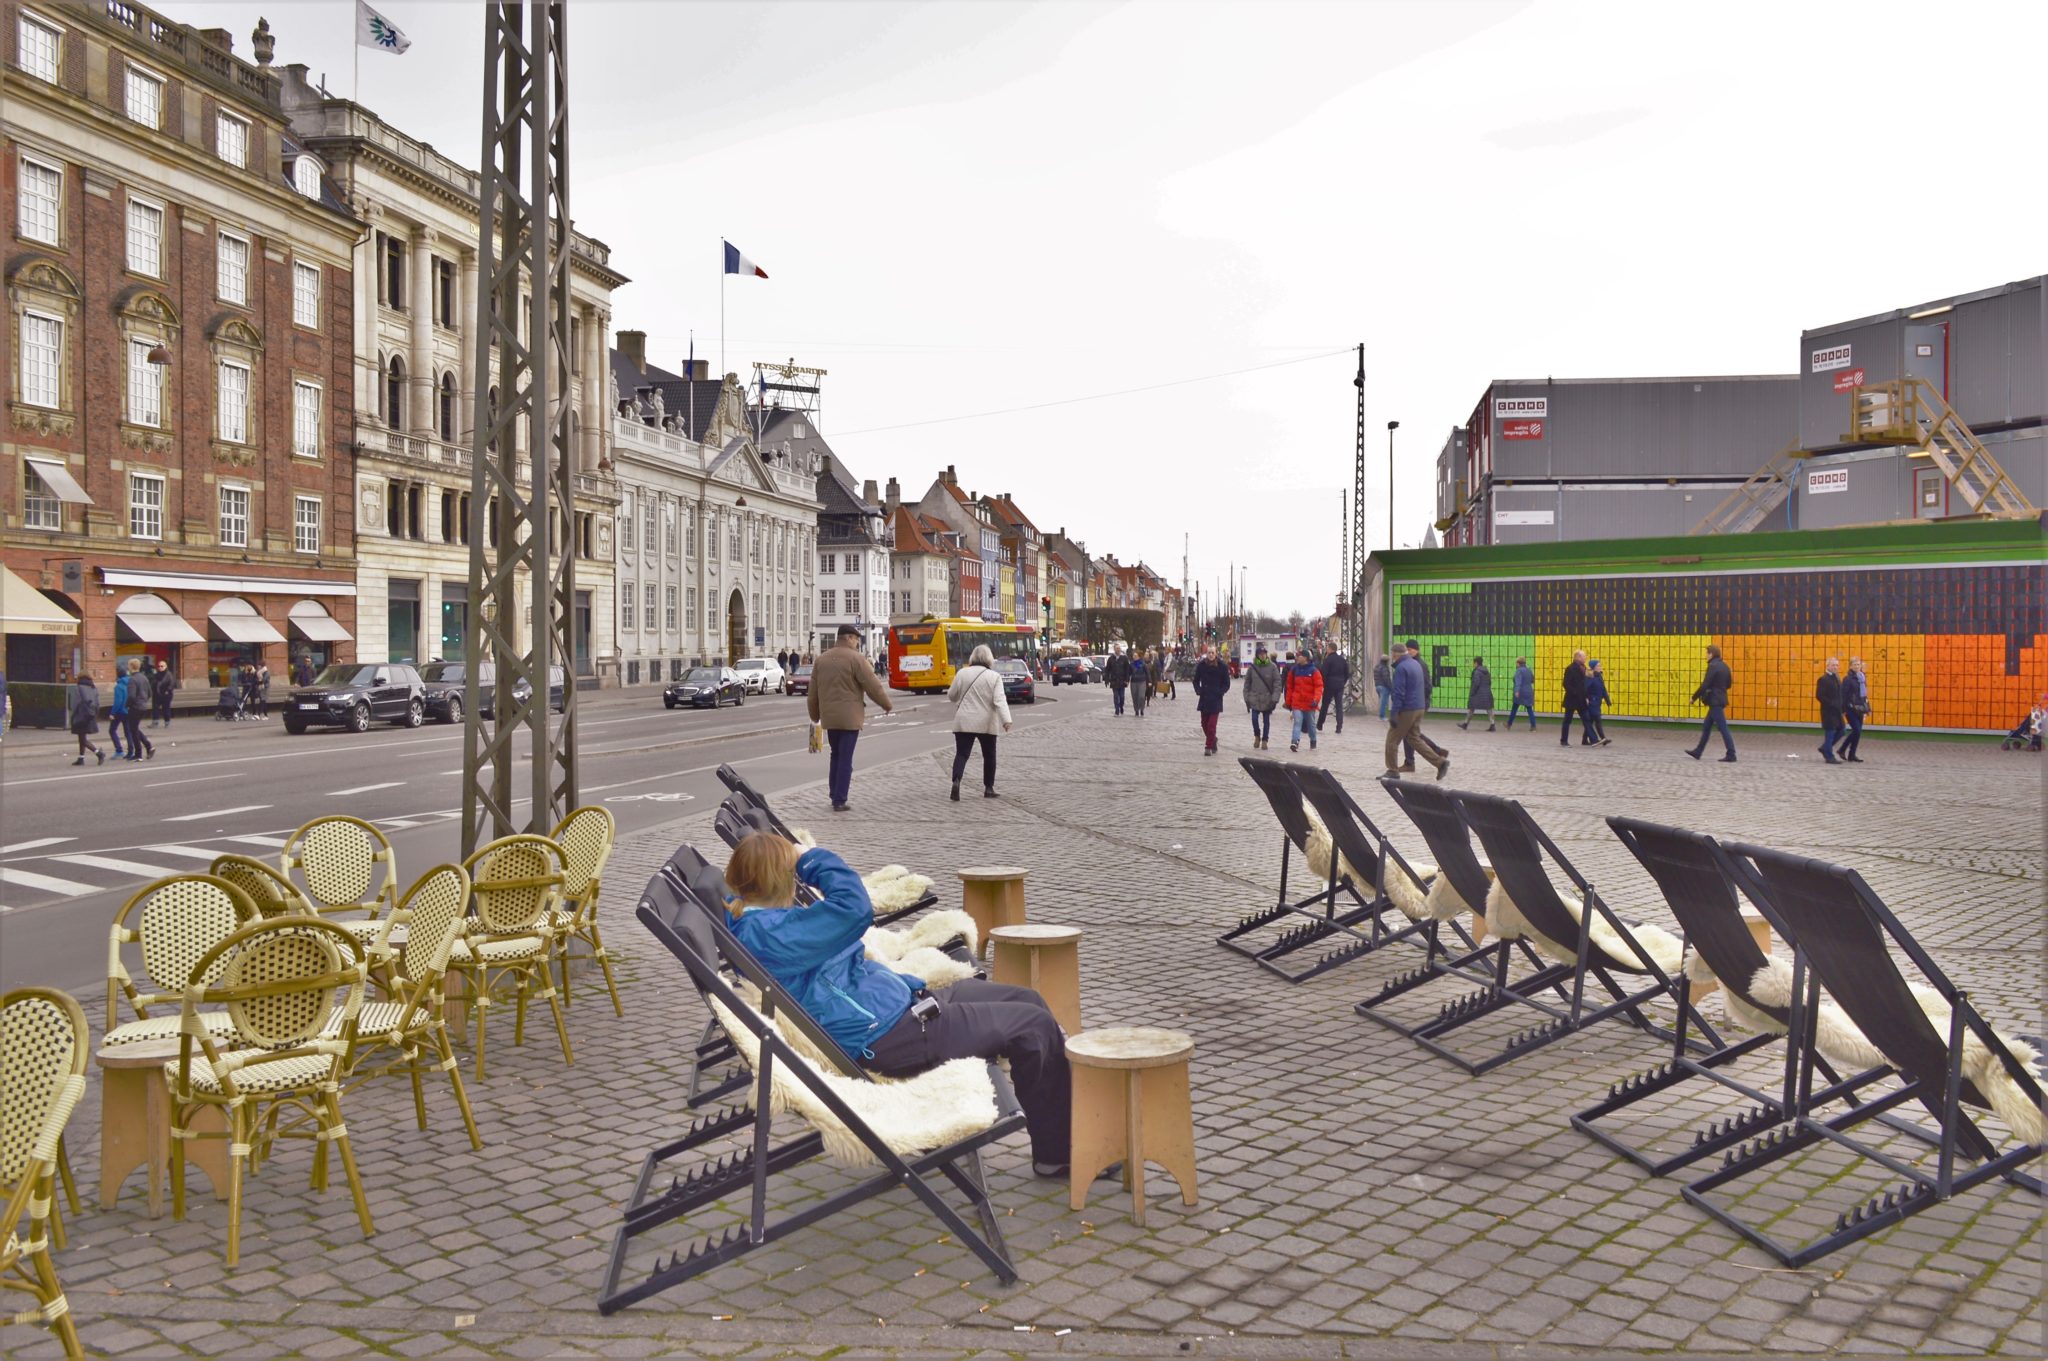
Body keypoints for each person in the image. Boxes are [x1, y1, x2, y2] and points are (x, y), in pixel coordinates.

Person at [723, 833, 1089, 1178]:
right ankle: (1057, 1155)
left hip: (903, 1006)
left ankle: (1064, 1115)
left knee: (1027, 1000)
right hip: (894, 1035)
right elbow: (854, 908)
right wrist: (811, 858)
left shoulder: (763, 923)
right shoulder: (771, 934)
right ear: (779, 878)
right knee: (1033, 1027)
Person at [807, 623, 893, 811]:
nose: (857, 643)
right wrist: (886, 704)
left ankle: (833, 792)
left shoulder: (821, 660)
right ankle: (840, 799)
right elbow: (873, 686)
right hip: (850, 718)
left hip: (830, 718)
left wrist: (815, 715)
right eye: (856, 639)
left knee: (835, 755)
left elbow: (812, 693)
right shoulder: (856, 659)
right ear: (849, 638)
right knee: (846, 758)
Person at [946, 643, 1012, 800]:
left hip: (964, 721)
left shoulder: (962, 673)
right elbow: (999, 700)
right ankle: (989, 788)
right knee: (989, 755)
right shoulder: (994, 677)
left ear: (973, 658)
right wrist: (1006, 720)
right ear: (989, 659)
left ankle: (956, 781)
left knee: (961, 754)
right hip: (986, 721)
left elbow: (951, 695)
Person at [1386, 639, 1449, 779]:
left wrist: (1395, 713)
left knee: (1392, 739)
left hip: (1407, 708)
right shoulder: (1416, 664)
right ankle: (1440, 762)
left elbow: (1399, 693)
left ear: (1396, 654)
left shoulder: (1401, 669)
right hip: (1418, 707)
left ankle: (1392, 770)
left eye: (1393, 654)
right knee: (1414, 738)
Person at [1687, 644, 1736, 762]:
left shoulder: (1713, 666)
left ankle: (1731, 754)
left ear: (1711, 654)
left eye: (1707, 653)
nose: (1706, 656)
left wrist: (1694, 698)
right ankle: (1698, 751)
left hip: (1714, 701)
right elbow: (1729, 684)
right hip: (1721, 698)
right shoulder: (1725, 666)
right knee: (1707, 726)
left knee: (1723, 727)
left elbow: (1705, 685)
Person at [1192, 645, 1231, 755]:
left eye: (1212, 653)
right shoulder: (1201, 665)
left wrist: (1220, 692)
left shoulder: (1222, 666)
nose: (1210, 655)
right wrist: (1198, 690)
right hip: (1204, 698)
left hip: (1215, 699)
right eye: (1209, 653)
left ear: (1216, 653)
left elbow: (1226, 683)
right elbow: (1195, 680)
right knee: (1204, 724)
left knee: (1211, 725)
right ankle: (1213, 740)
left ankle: (1208, 746)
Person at [1283, 648, 1323, 753]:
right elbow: (1289, 687)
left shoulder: (1314, 671)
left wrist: (1316, 699)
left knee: (1311, 724)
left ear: (1305, 658)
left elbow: (1319, 687)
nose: (1297, 657)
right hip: (1297, 702)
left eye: (1299, 656)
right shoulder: (1294, 670)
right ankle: (1294, 742)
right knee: (1297, 722)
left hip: (1310, 703)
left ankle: (1313, 741)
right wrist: (1288, 702)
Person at [1241, 645, 1281, 750]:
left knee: (1266, 720)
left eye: (1264, 654)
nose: (1263, 656)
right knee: (1254, 719)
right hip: (1255, 697)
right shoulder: (1252, 668)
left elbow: (1277, 683)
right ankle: (1257, 736)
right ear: (1257, 655)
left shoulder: (1272, 667)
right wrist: (1246, 697)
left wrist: (1275, 698)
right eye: (1260, 654)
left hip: (1267, 698)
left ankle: (1265, 739)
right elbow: (1247, 683)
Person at [66, 671, 104, 766]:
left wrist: (73, 715)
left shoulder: (79, 688)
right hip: (90, 715)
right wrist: (95, 714)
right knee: (82, 737)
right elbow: (97, 702)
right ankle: (81, 758)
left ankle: (98, 753)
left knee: (82, 739)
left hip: (81, 715)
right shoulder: (93, 688)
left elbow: (76, 703)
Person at [120, 657, 155, 760]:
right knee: (134, 728)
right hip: (143, 706)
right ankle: (148, 747)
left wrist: (126, 705)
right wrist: (143, 701)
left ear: (131, 667)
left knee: (133, 730)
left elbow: (131, 696)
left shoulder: (132, 679)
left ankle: (139, 753)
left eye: (129, 666)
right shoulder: (144, 678)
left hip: (135, 707)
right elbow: (149, 693)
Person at [1816, 656, 1845, 764]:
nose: (1835, 667)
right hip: (1828, 712)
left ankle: (1825, 748)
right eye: (1833, 665)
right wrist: (1831, 704)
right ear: (1827, 666)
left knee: (1842, 730)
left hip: (1837, 711)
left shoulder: (1836, 677)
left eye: (1837, 665)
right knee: (1830, 733)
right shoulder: (1824, 679)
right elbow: (1819, 695)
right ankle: (1829, 756)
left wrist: (1842, 707)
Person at [1317, 643, 1350, 734]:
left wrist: (1324, 683)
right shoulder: (1342, 660)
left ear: (1330, 649)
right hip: (1339, 685)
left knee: (1325, 705)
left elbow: (1323, 673)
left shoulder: (1328, 660)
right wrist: (1342, 682)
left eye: (1327, 648)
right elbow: (1347, 673)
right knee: (1339, 705)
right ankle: (1339, 726)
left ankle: (1320, 724)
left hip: (1329, 685)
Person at [1841, 656, 1869, 763]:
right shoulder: (1847, 679)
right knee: (1856, 729)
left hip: (1860, 708)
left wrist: (1867, 709)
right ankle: (1842, 749)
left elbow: (1864, 695)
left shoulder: (1862, 677)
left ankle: (1852, 754)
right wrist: (1843, 709)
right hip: (1850, 709)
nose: (1857, 666)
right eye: (1855, 665)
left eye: (1858, 664)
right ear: (1850, 666)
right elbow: (1843, 695)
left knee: (1858, 732)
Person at [1559, 650, 1589, 747]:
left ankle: (1587, 740)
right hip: (1572, 699)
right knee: (1567, 720)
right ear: (1578, 657)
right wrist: (1575, 692)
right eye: (1584, 656)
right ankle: (1564, 740)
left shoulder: (1584, 668)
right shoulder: (1570, 668)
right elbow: (1566, 683)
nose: (1585, 658)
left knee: (1587, 719)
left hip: (1581, 699)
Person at [1458, 657, 1495, 732]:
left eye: (1473, 663)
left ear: (1476, 663)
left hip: (1477, 693)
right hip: (1487, 692)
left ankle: (1465, 724)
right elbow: (1489, 682)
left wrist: (1472, 692)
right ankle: (1492, 724)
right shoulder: (1487, 672)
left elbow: (1476, 683)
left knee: (1471, 708)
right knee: (1489, 709)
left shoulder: (1476, 672)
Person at [1582, 660, 1612, 746]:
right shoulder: (1590, 677)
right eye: (1598, 666)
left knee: (1591, 721)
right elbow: (1585, 689)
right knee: (1598, 720)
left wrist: (1607, 700)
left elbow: (1603, 689)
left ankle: (1584, 740)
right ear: (1593, 667)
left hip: (1597, 702)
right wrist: (1586, 698)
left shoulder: (1599, 676)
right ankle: (1603, 738)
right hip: (1592, 702)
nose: (1600, 667)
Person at [1506, 657, 1537, 731]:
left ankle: (1509, 724)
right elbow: (1533, 680)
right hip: (1529, 691)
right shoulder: (1529, 670)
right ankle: (1533, 726)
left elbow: (1518, 682)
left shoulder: (1519, 671)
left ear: (1518, 663)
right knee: (1529, 709)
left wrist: (1516, 691)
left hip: (1520, 692)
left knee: (1514, 708)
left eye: (1516, 663)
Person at [1104, 649, 1132, 716]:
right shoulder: (1111, 659)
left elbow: (1127, 670)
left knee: (1122, 696)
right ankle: (1117, 710)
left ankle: (1121, 707)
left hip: (1122, 681)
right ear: (1115, 650)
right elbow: (1107, 670)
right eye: (1117, 649)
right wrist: (1106, 680)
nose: (1118, 650)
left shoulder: (1124, 658)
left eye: (1119, 649)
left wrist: (1127, 680)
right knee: (1116, 696)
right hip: (1114, 681)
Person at [152, 658, 177, 727]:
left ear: (166, 667)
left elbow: (172, 684)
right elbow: (153, 683)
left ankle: (167, 722)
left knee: (166, 709)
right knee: (155, 708)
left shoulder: (169, 675)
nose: (160, 667)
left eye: (162, 666)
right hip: (157, 694)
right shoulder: (156, 675)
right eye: (159, 666)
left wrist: (167, 691)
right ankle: (155, 722)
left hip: (166, 695)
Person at [1128, 651, 1150, 717]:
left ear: (1138, 656)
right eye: (1133, 656)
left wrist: (1149, 681)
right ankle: (1136, 710)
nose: (1134, 657)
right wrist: (1126, 680)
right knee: (1135, 696)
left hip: (1142, 681)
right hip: (1134, 682)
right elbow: (1128, 673)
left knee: (1141, 696)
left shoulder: (1143, 664)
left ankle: (1142, 709)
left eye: (1135, 656)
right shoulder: (1131, 664)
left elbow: (1147, 673)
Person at [1372, 654, 1394, 721]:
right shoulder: (1384, 668)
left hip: (1377, 686)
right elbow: (1386, 679)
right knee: (1384, 703)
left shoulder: (1376, 667)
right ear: (1387, 661)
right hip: (1384, 687)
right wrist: (1391, 687)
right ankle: (1382, 716)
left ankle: (1382, 714)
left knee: (1383, 702)